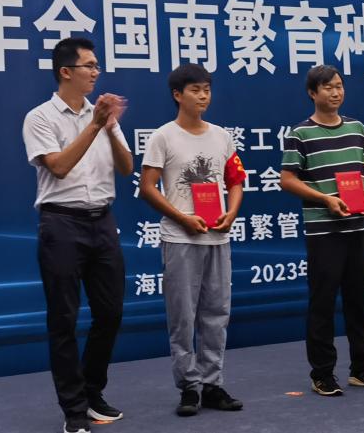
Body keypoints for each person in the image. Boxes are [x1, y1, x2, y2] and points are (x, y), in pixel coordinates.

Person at [22, 37, 133, 433]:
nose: (96, 72)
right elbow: (59, 167)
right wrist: (95, 125)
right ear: (66, 71)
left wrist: (109, 126)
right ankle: (73, 409)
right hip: (61, 224)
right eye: (89, 65)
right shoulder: (40, 117)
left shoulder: (101, 115)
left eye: (97, 65)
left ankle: (91, 390)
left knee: (111, 312)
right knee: (64, 318)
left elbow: (126, 167)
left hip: (102, 221)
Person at [280, 65, 364, 396]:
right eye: (328, 87)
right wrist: (325, 199)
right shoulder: (300, 134)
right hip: (324, 231)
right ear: (312, 93)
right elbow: (287, 179)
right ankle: (322, 373)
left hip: (359, 226)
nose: (336, 92)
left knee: (358, 301)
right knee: (323, 302)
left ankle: (363, 368)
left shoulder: (358, 128)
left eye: (340, 86)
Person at [139, 64, 246, 417]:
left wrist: (231, 212)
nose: (203, 96)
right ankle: (189, 386)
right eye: (196, 90)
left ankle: (212, 384)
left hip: (217, 237)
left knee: (217, 313)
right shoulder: (163, 137)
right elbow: (147, 187)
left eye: (207, 89)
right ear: (177, 94)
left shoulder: (221, 136)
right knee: (183, 317)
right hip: (180, 238)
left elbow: (235, 180)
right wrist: (182, 218)